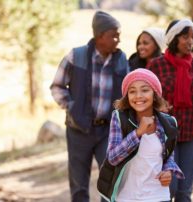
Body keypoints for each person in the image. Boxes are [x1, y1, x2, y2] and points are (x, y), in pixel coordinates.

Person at [50, 11, 128, 202]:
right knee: (79, 185)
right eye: (114, 35)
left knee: (111, 181)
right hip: (78, 129)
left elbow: (128, 92)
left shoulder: (120, 59)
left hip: (108, 131)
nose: (118, 39)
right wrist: (72, 107)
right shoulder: (76, 56)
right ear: (100, 36)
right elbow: (57, 86)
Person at [148, 19, 193, 201]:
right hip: (164, 136)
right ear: (173, 38)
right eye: (185, 37)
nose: (190, 41)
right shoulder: (156, 65)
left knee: (184, 192)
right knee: (168, 189)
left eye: (192, 37)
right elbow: (148, 101)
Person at [105, 68, 184, 202]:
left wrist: (168, 170)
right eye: (132, 91)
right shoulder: (119, 118)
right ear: (127, 96)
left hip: (159, 196)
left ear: (155, 94)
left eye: (145, 90)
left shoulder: (169, 122)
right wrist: (138, 133)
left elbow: (168, 156)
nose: (138, 96)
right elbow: (112, 158)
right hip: (127, 197)